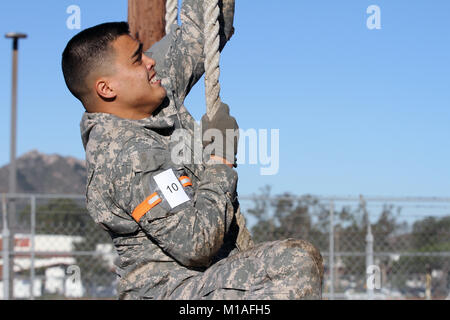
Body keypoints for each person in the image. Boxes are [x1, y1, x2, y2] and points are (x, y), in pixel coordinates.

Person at [61, 0, 323, 299]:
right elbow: (196, 243)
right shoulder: (127, 155)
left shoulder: (151, 89)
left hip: (207, 277)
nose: (149, 62)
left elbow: (201, 32)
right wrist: (221, 159)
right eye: (136, 59)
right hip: (173, 291)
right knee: (293, 263)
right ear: (107, 89)